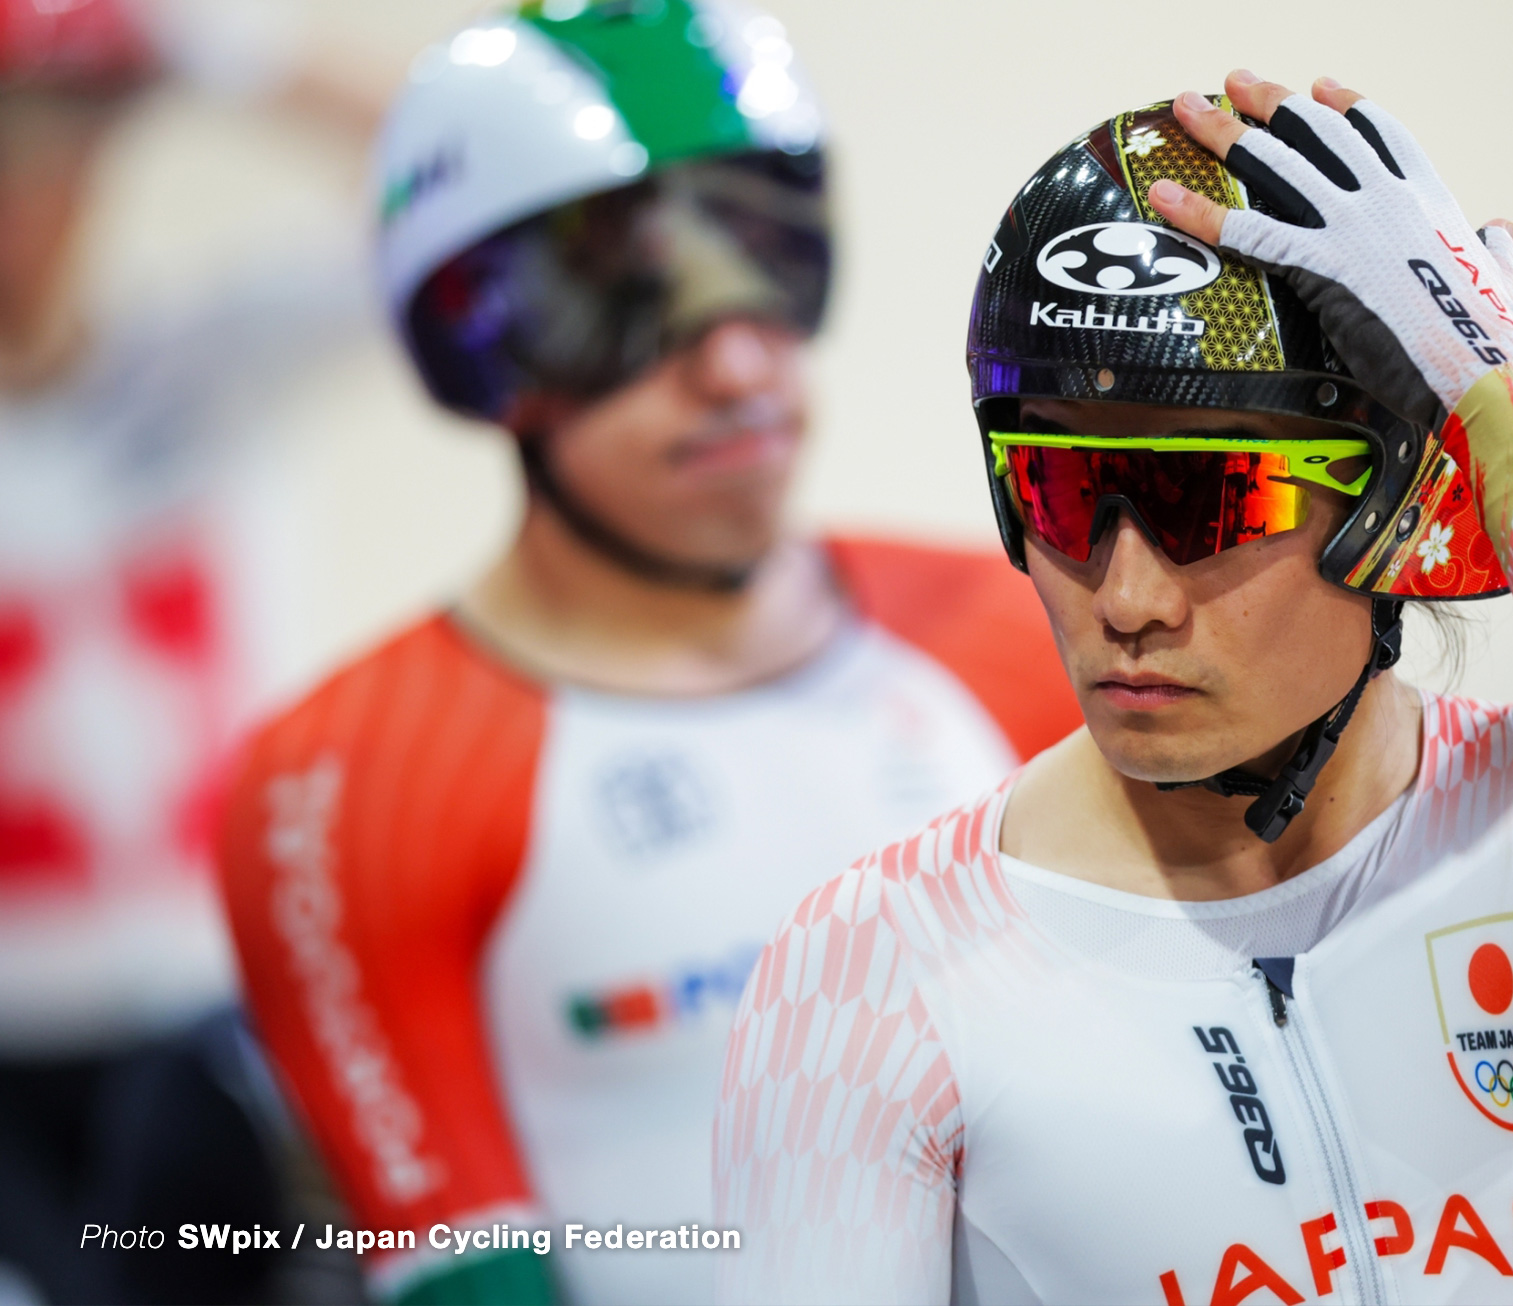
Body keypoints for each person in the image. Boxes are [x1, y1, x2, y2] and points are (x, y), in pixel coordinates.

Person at [713, 73, 1513, 1304]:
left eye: (1209, 500)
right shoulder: (870, 969)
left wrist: (1493, 382)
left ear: (1392, 502)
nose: (1126, 598)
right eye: (1055, 494)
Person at [217, 5, 1079, 1304]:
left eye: (769, 258)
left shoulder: (1033, 626)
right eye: (627, 296)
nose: (737, 361)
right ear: (480, 343)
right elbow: (460, 1274)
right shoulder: (346, 780)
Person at [0, 2, 385, 1301]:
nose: (23, 207)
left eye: (48, 159)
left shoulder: (204, 360)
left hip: (212, 1013)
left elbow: (471, 196)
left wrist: (210, 45)